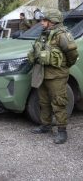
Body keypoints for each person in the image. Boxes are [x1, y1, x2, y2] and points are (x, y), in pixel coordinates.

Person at [28, 9, 78, 144]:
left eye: (45, 20)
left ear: (53, 22)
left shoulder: (63, 35)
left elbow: (72, 55)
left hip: (57, 75)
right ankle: (45, 125)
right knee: (43, 101)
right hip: (42, 73)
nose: (42, 23)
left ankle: (62, 131)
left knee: (59, 102)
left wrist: (63, 66)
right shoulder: (44, 34)